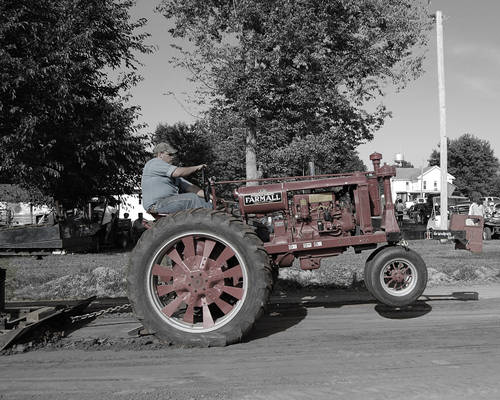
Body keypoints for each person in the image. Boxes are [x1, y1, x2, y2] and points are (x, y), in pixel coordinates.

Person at [141, 142, 211, 215]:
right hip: (157, 205)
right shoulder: (154, 163)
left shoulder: (169, 172)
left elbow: (191, 188)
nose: (173, 157)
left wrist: (213, 198)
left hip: (167, 202)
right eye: (170, 154)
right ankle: (210, 222)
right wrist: (198, 167)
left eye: (173, 155)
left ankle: (215, 216)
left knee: (202, 200)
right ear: (160, 154)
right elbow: (178, 172)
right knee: (192, 198)